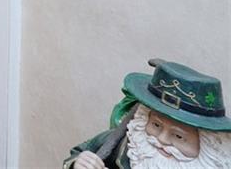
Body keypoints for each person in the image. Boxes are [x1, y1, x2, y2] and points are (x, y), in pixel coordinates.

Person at [65, 60, 231, 169]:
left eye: (178, 136)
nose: (162, 140)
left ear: (207, 143)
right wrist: (79, 162)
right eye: (156, 125)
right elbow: (80, 151)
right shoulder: (128, 144)